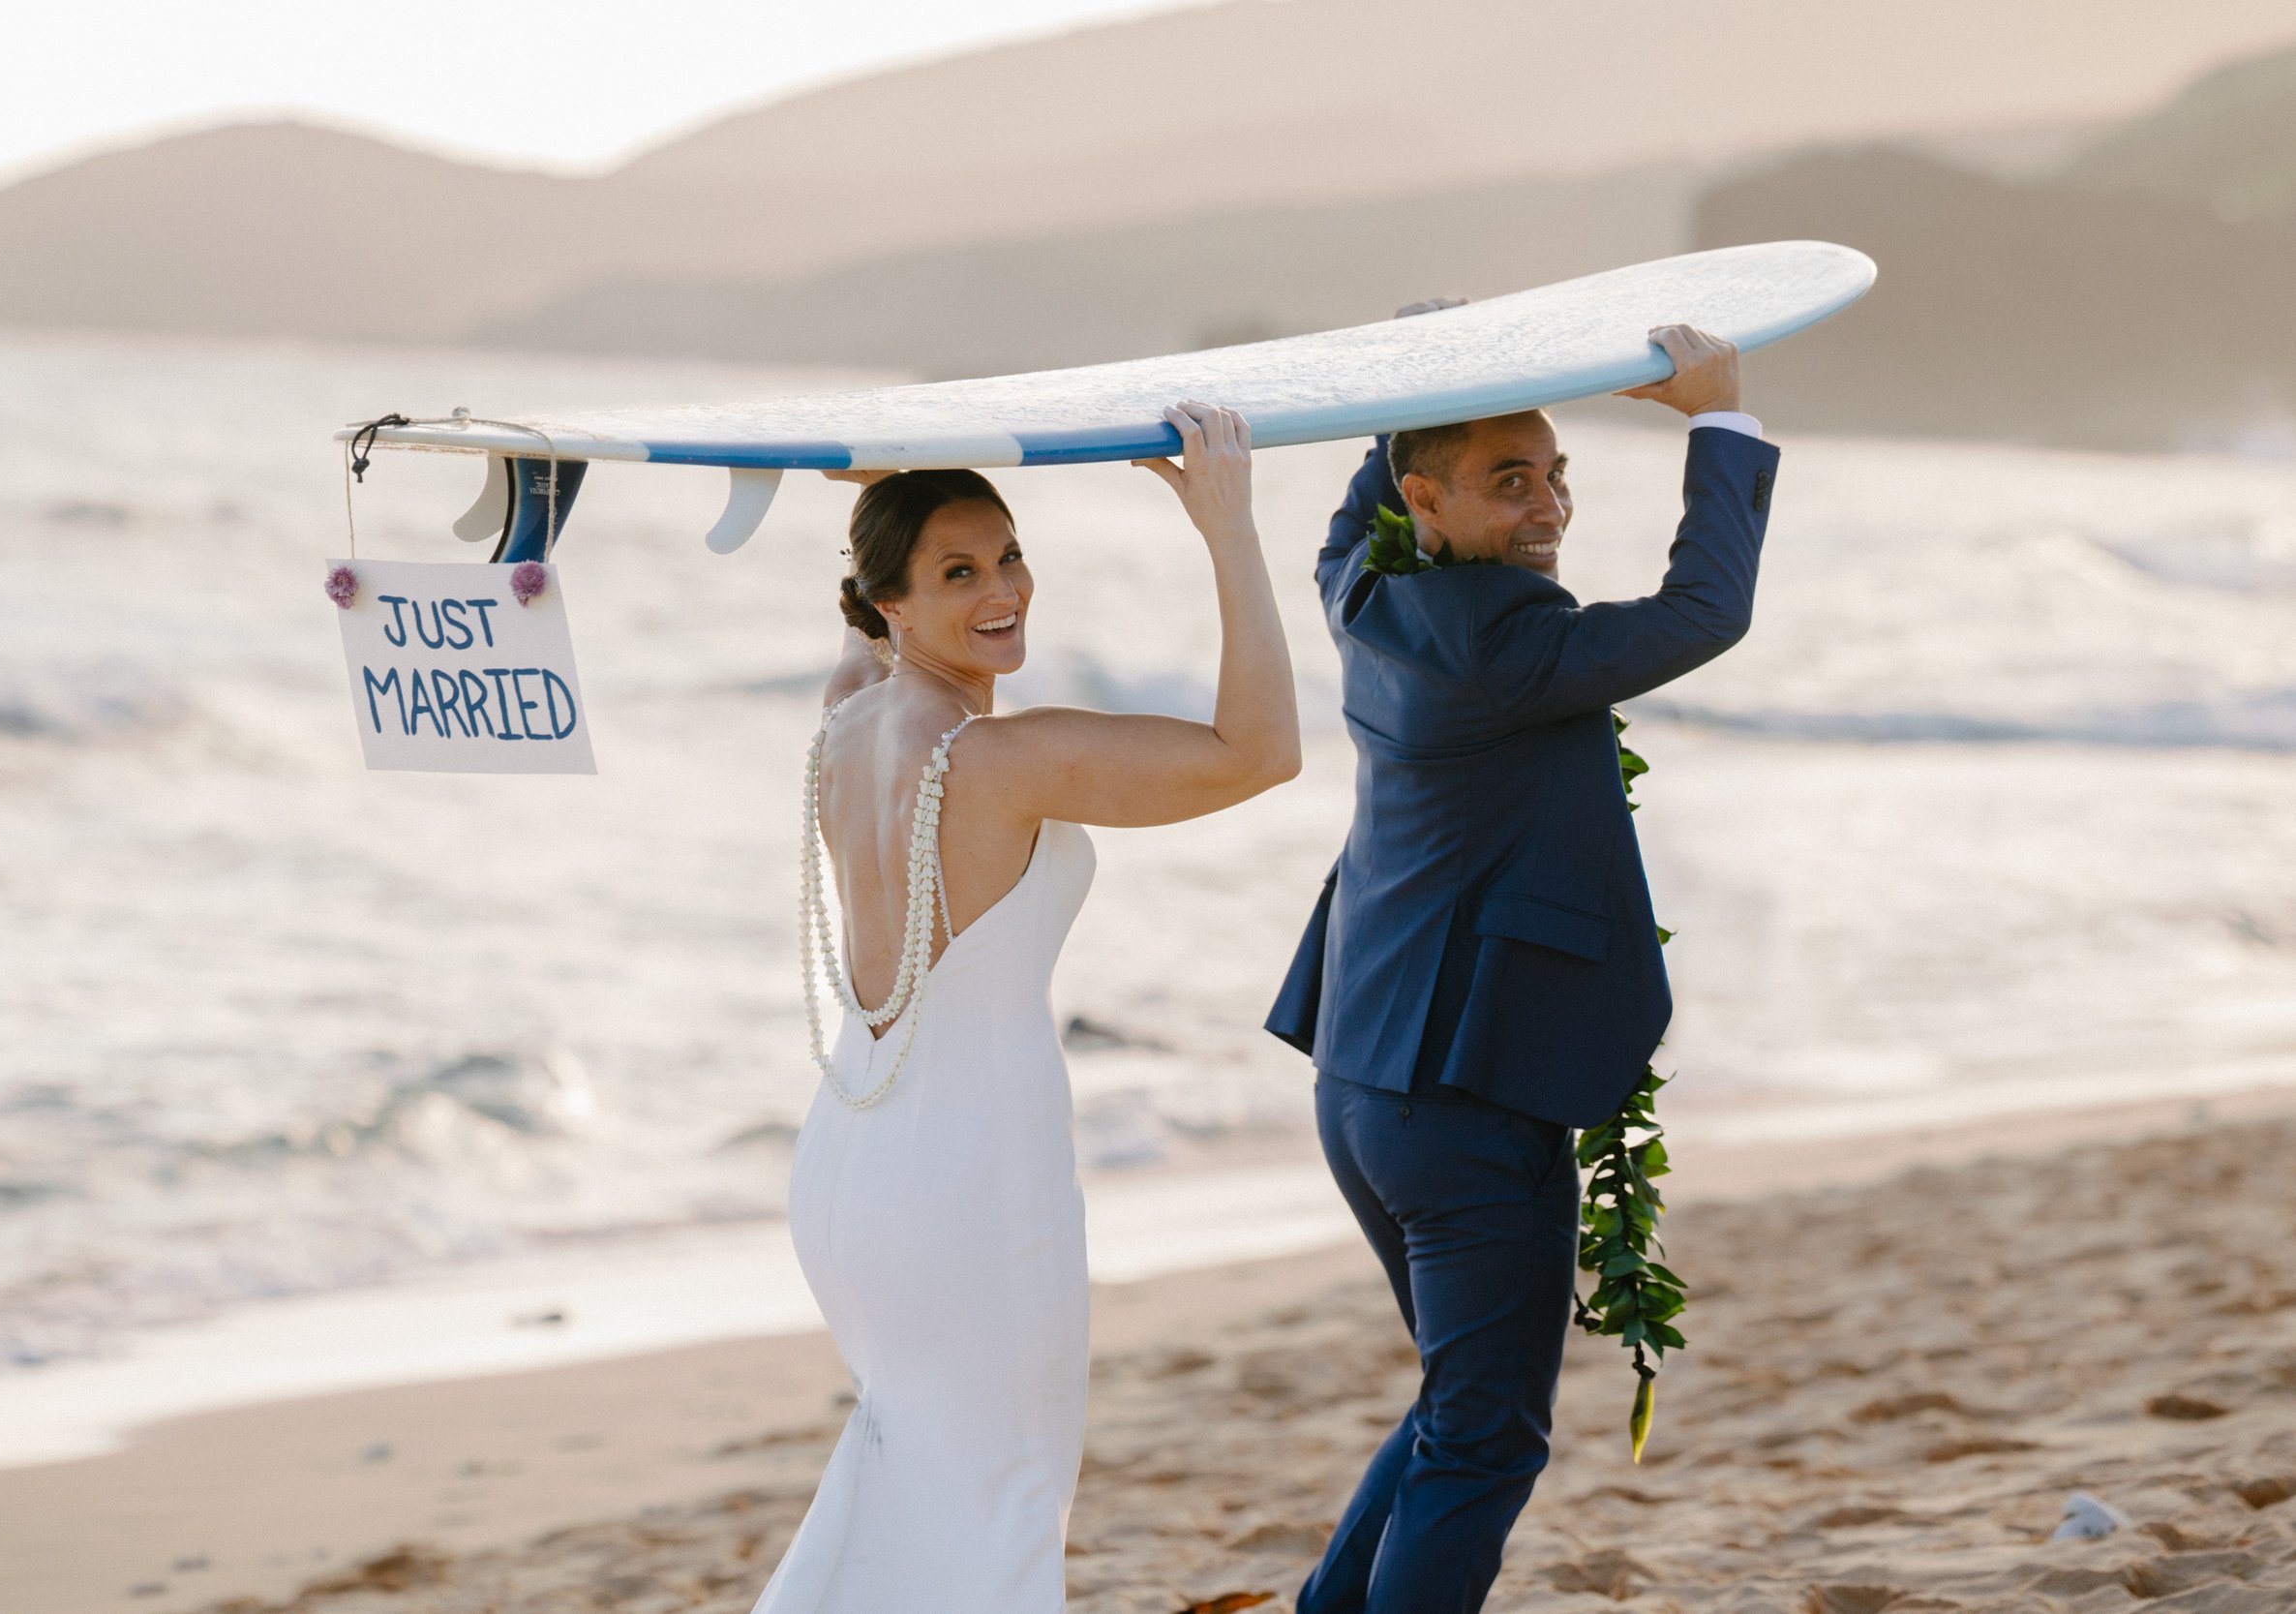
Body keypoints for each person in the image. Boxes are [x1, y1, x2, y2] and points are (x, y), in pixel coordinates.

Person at [753, 401, 1299, 1614]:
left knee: (913, 1474)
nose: (1002, 589)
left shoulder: (846, 716)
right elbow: (1261, 749)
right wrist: (1227, 528)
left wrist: (892, 488)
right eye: (958, 571)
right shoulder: (1007, 760)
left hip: (850, 1166)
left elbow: (862, 616)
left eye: (1007, 556)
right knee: (1002, 1494)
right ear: (890, 600)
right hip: (967, 1181)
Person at [1265, 323, 1775, 1614]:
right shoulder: (1511, 647)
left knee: (1457, 1403)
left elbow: (1359, 511)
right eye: (1510, 479)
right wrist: (1718, 418)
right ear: (1427, 499)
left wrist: (1435, 368)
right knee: (1489, 1435)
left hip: (1359, 1082)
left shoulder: (1364, 598)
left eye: (1555, 475)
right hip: (1467, 1103)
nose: (1546, 505)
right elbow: (1708, 608)